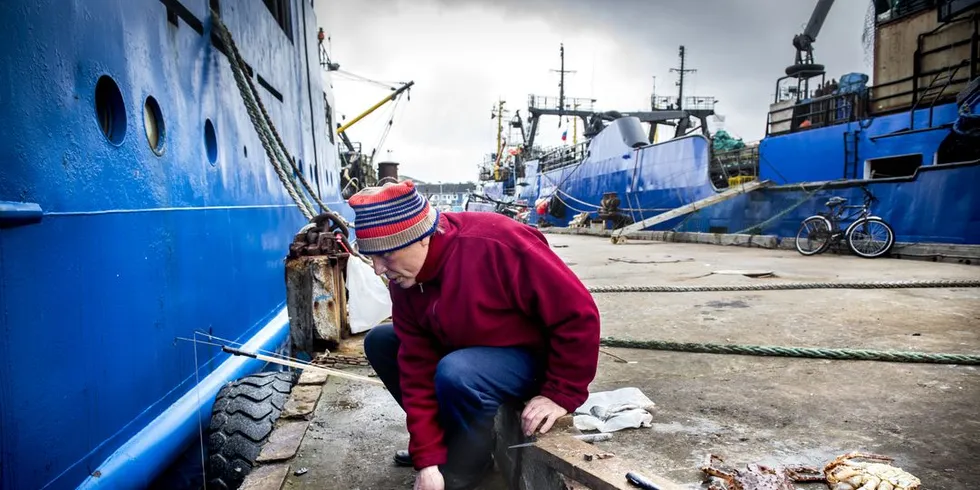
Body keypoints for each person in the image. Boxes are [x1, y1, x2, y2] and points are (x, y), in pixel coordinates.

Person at [350, 181, 601, 490]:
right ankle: (445, 445)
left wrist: (561, 392)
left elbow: (577, 313)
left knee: (457, 372)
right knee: (381, 342)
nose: (377, 269)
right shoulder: (405, 281)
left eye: (385, 255)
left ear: (421, 239)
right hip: (470, 350)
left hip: (530, 358)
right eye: (371, 257)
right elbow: (415, 369)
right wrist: (426, 459)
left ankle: (471, 462)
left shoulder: (498, 242)